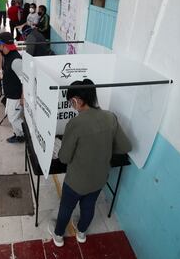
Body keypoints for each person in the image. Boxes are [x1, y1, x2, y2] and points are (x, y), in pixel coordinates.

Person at [48, 79, 132, 247]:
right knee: (89, 206)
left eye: (71, 102)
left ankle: (58, 235)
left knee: (66, 207)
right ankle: (81, 233)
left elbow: (64, 158)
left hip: (76, 182)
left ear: (77, 100)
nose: (72, 106)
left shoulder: (76, 123)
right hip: (99, 178)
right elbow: (126, 146)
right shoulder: (110, 117)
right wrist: (104, 149)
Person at [0, 32, 24, 143]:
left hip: (16, 95)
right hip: (10, 94)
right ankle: (18, 134)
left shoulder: (16, 60)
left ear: (4, 45)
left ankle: (25, 135)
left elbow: (24, 81)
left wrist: (23, 97)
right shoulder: (7, 56)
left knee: (14, 118)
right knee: (10, 115)